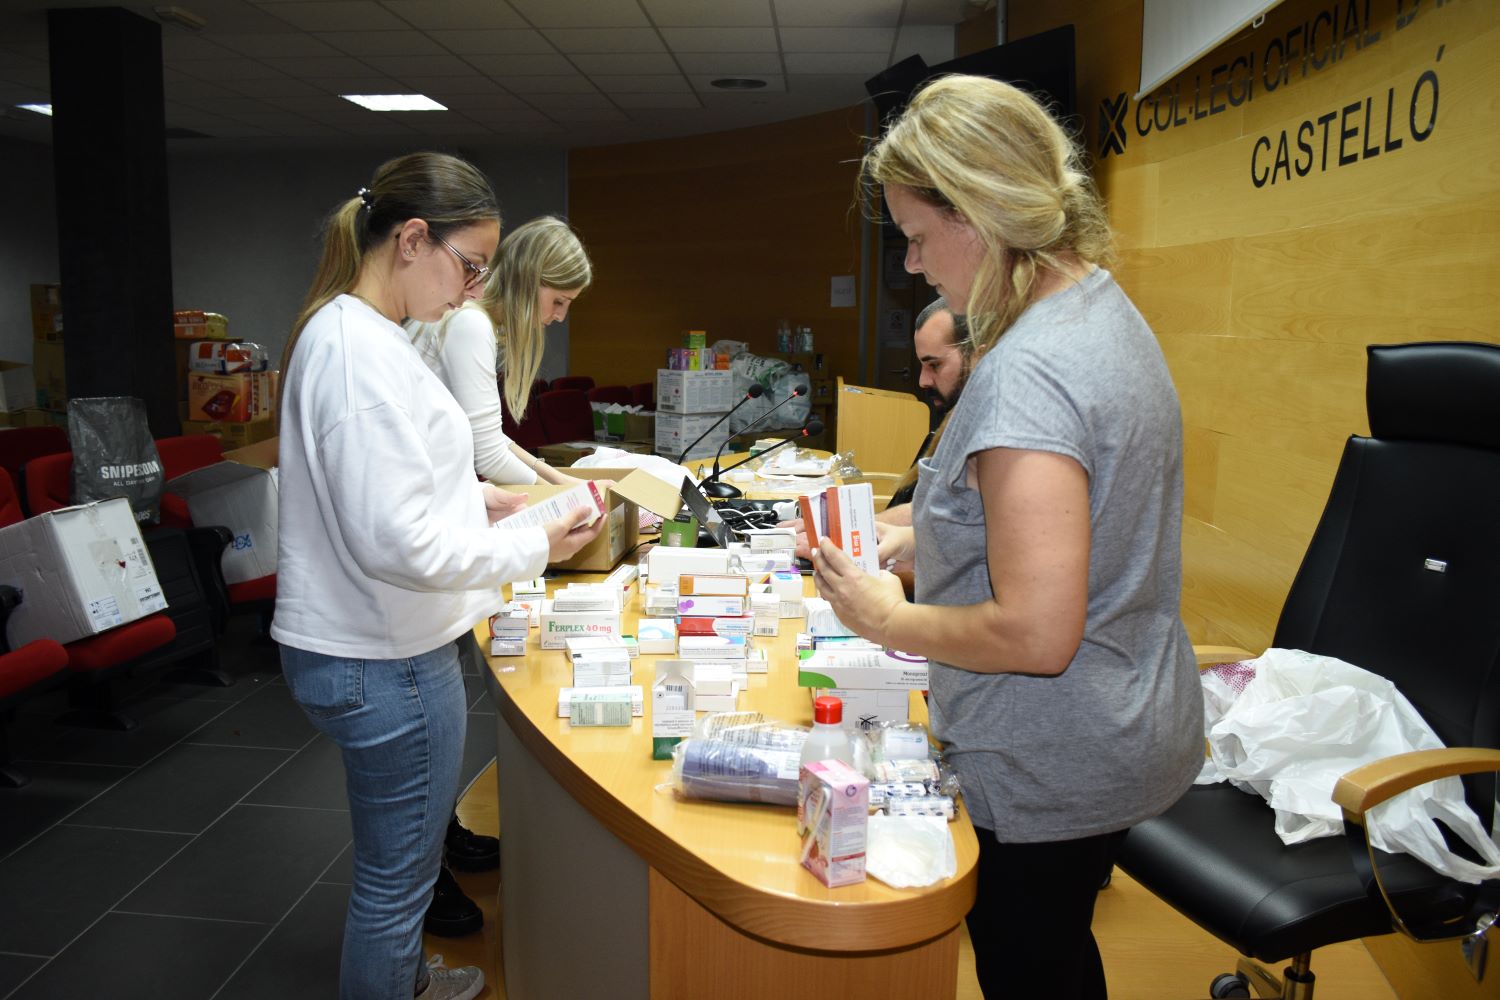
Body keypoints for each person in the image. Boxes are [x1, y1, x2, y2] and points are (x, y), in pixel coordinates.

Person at [810, 75, 1203, 1000]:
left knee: (1031, 966)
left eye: (915, 236)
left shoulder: (1029, 372)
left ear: (981, 211)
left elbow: (1035, 631)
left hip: (1052, 756)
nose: (910, 265)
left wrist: (885, 617)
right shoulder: (1094, 305)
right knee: (1059, 955)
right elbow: (1066, 525)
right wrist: (925, 545)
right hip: (1114, 724)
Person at [272, 152, 603, 1000]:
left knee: (401, 868)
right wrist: (539, 544)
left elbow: (399, 489)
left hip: (379, 643)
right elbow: (402, 547)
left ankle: (410, 983)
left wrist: (489, 500)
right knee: (397, 886)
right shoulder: (355, 350)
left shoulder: (363, 336)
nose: (469, 292)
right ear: (413, 240)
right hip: (384, 657)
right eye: (469, 267)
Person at [407, 215, 593, 486]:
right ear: (528, 282)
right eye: (558, 301)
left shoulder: (476, 322)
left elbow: (490, 438)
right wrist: (566, 495)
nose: (560, 316)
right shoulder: (471, 324)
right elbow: (489, 456)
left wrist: (562, 481)